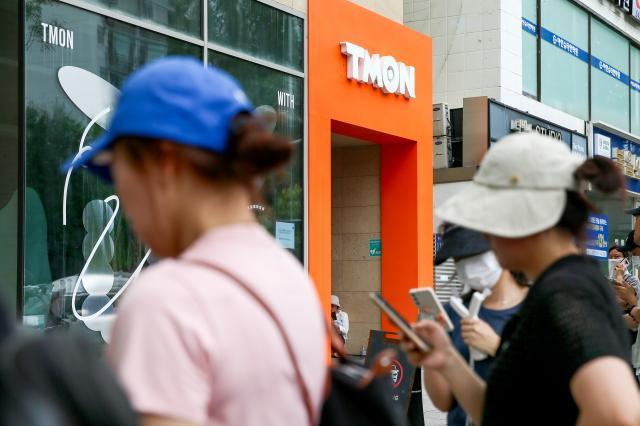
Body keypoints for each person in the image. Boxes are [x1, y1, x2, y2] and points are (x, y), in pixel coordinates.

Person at [63, 57, 326, 426]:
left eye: (120, 180)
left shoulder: (169, 301)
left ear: (165, 165)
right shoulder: (293, 279)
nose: (127, 206)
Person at [403, 133, 640, 425]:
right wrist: (447, 360)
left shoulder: (566, 292)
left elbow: (616, 414)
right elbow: (503, 413)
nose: (486, 234)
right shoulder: (556, 288)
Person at [428, 225, 528, 426]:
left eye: (473, 254)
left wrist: (496, 346)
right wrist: (431, 356)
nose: (465, 265)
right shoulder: (452, 312)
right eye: (458, 259)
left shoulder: (539, 306)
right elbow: (444, 402)